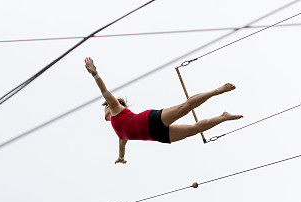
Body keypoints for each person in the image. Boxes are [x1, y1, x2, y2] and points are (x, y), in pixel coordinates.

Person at [84, 57, 243, 164]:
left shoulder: (115, 108)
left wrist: (95, 73)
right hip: (156, 135)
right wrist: (121, 158)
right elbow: (122, 146)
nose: (103, 114)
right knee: (193, 130)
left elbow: (104, 90)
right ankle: (224, 117)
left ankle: (218, 90)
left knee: (183, 108)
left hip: (149, 120)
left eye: (103, 108)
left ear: (107, 106)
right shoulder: (119, 132)